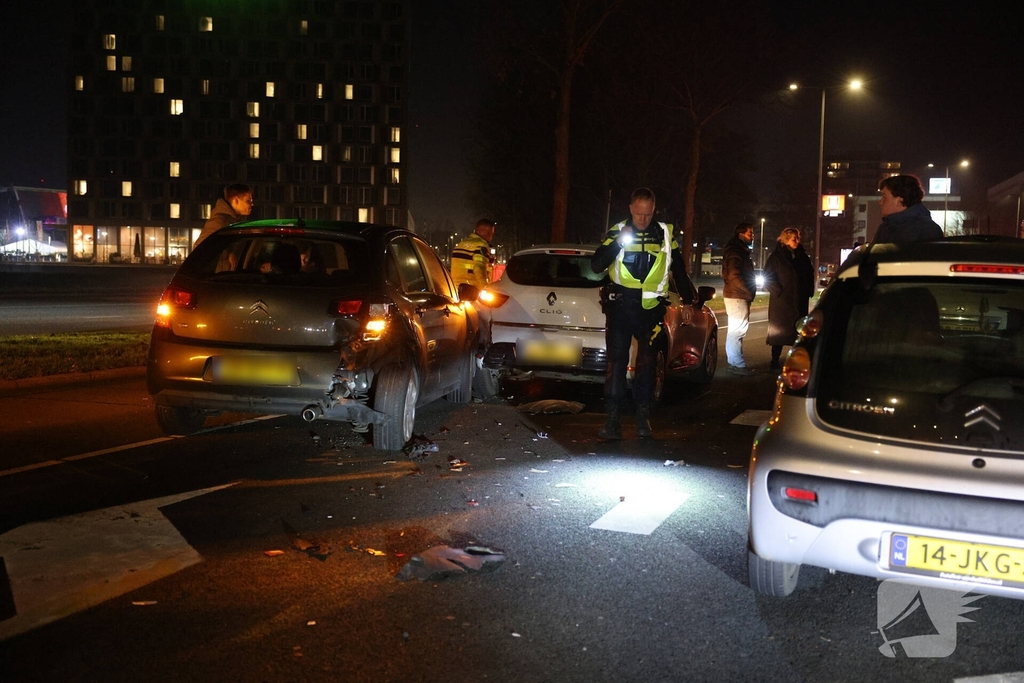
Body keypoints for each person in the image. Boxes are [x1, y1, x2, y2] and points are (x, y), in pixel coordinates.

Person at [591, 187, 689, 440]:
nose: (642, 220)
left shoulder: (666, 233)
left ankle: (642, 418)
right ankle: (612, 420)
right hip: (621, 307)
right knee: (616, 362)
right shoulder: (618, 230)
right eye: (638, 214)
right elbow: (597, 265)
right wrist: (618, 241)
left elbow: (678, 268)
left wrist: (690, 298)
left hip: (651, 310)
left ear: (653, 210)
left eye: (647, 214)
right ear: (631, 210)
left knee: (647, 364)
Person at [763, 228, 809, 371]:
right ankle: (774, 360)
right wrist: (779, 291)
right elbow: (768, 276)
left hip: (799, 299)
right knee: (780, 333)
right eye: (794, 238)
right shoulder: (776, 257)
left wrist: (808, 291)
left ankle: (796, 362)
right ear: (785, 240)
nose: (797, 241)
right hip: (782, 302)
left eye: (798, 238)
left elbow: (809, 274)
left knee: (799, 333)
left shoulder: (802, 256)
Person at [721, 222, 757, 375]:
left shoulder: (738, 251)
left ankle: (735, 362)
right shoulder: (736, 252)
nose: (753, 236)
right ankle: (737, 364)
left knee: (736, 331)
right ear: (741, 234)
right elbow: (734, 275)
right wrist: (747, 290)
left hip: (737, 295)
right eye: (750, 233)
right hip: (737, 296)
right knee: (737, 331)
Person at [872, 174, 943, 245]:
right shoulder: (886, 227)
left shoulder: (927, 229)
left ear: (900, 201)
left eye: (884, 197)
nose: (880, 202)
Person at [194, 183, 254, 248]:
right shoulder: (219, 221)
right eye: (248, 201)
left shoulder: (239, 220)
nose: (252, 204)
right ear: (236, 200)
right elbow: (199, 247)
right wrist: (227, 255)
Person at [450, 219, 496, 290]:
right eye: (489, 232)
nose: (490, 236)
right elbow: (479, 267)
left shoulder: (460, 244)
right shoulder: (481, 245)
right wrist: (485, 287)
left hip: (455, 288)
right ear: (478, 230)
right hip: (472, 290)